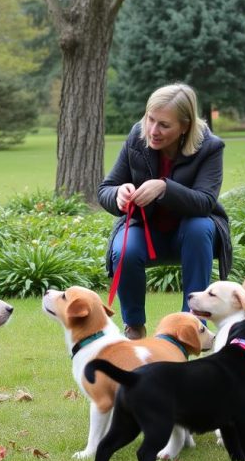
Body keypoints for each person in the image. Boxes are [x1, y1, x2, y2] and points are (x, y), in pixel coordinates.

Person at [98, 84, 232, 340]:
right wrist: (118, 195)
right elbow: (105, 189)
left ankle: (188, 323)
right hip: (145, 230)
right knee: (123, 250)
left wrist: (164, 188)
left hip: (192, 236)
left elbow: (205, 202)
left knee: (199, 226)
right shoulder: (137, 137)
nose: (153, 130)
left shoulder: (210, 147)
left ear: (185, 126)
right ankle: (134, 327)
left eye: (164, 125)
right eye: (150, 119)